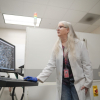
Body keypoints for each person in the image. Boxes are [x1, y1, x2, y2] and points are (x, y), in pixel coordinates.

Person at [24, 21, 93, 100]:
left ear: (68, 30)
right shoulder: (57, 46)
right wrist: (38, 78)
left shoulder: (80, 44)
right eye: (58, 27)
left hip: (78, 83)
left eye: (61, 27)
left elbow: (87, 65)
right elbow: (50, 65)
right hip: (64, 85)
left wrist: (88, 83)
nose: (58, 29)